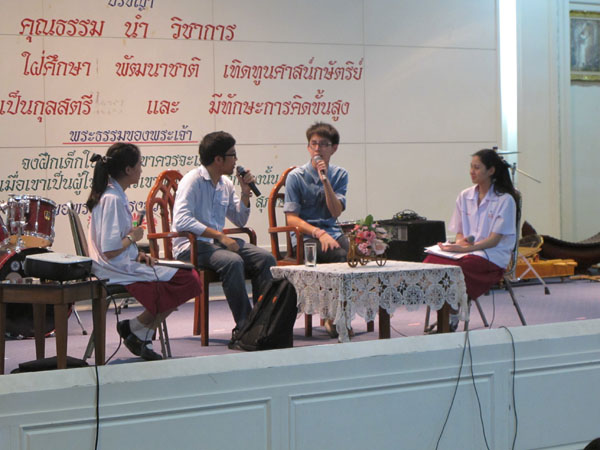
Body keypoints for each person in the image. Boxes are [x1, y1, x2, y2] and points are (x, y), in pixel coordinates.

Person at [86, 143, 202, 361]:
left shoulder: (113, 194)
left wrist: (136, 252)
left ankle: (138, 329)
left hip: (120, 263)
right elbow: (109, 249)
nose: (141, 169)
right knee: (189, 279)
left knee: (187, 275)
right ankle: (139, 330)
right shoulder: (112, 198)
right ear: (128, 169)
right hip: (113, 269)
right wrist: (134, 237)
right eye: (139, 164)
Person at [172, 131, 276, 339]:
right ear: (218, 159)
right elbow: (182, 220)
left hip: (215, 244)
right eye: (232, 155)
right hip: (191, 246)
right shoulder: (192, 181)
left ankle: (263, 322)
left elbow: (240, 220)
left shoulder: (225, 184)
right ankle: (246, 326)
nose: (236, 160)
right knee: (233, 261)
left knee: (266, 258)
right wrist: (220, 236)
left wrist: (245, 192)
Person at [424, 148, 519, 331]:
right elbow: (460, 232)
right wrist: (459, 244)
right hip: (467, 252)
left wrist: (465, 249)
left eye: (477, 168)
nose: (472, 172)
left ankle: (451, 315)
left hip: (491, 255)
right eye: (471, 167)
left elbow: (494, 241)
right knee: (430, 262)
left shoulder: (505, 200)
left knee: (457, 269)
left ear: (491, 171)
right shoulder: (465, 195)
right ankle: (446, 313)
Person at [283, 122, 349, 337]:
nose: (317, 149)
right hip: (306, 237)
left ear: (334, 148)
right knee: (338, 255)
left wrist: (325, 181)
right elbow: (291, 218)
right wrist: (319, 233)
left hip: (333, 232)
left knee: (357, 254)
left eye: (323, 144)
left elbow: (335, 212)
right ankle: (333, 316)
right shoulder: (296, 176)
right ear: (308, 147)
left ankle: (347, 312)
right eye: (314, 144)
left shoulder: (340, 175)